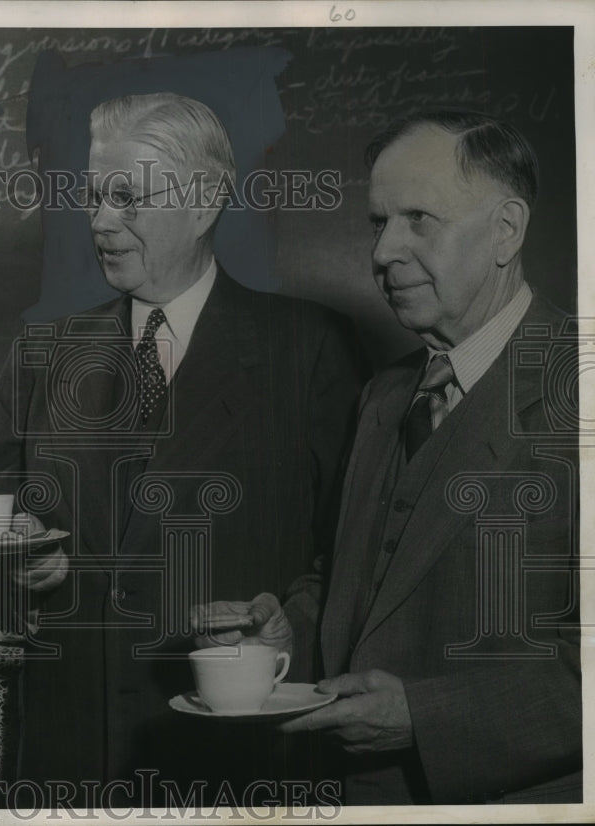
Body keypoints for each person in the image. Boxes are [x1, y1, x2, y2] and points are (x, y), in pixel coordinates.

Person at [0, 93, 365, 805]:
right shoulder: (39, 355)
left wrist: (288, 624)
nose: (99, 221)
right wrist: (14, 574)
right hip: (69, 764)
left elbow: (349, 557)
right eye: (94, 196)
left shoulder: (308, 351)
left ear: (206, 201)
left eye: (128, 198)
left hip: (235, 759)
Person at [196, 110, 581, 805]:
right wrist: (290, 626)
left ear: (506, 230)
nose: (381, 252)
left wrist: (424, 718)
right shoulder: (385, 394)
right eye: (380, 222)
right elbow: (355, 580)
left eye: (419, 220)